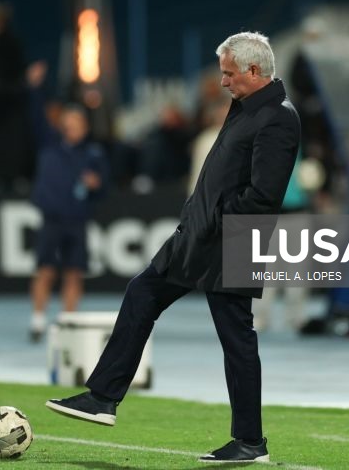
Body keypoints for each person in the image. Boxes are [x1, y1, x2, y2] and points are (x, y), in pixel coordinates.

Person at [45, 32, 301, 464]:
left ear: (254, 71)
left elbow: (264, 194)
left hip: (232, 240)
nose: (222, 82)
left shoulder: (278, 116)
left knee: (236, 337)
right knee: (144, 292)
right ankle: (104, 397)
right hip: (201, 235)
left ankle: (249, 442)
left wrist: (213, 219)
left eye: (228, 73)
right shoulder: (249, 107)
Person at [26, 61, 109, 342]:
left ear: (85, 126)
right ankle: (38, 321)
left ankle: (68, 323)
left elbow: (104, 189)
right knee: (45, 270)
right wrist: (36, 87)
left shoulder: (94, 154)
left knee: (74, 272)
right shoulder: (49, 144)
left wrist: (96, 185)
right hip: (51, 219)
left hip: (78, 221)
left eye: (77, 124)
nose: (71, 127)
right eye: (68, 123)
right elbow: (37, 115)